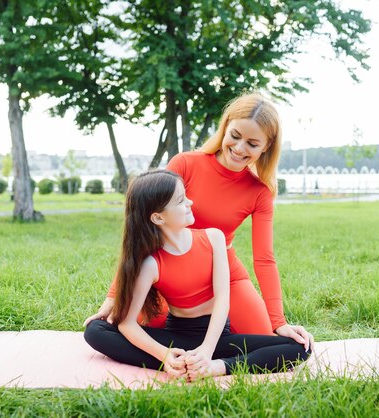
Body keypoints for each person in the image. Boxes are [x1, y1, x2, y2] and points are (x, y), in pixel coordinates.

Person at [93, 93, 312, 348]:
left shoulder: (260, 192)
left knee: (265, 339)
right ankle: (188, 350)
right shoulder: (185, 163)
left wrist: (278, 321)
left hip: (225, 272)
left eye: (252, 143)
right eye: (236, 136)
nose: (240, 148)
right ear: (225, 127)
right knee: (115, 327)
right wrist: (114, 295)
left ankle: (206, 351)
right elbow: (142, 228)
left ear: (267, 146)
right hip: (170, 271)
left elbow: (264, 259)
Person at [84, 170, 311, 380]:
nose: (190, 202)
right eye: (181, 200)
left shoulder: (214, 238)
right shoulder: (151, 264)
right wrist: (164, 355)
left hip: (217, 337)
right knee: (95, 331)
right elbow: (127, 323)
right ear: (158, 218)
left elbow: (223, 298)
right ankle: (179, 364)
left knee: (300, 347)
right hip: (177, 337)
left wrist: (207, 351)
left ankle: (215, 367)